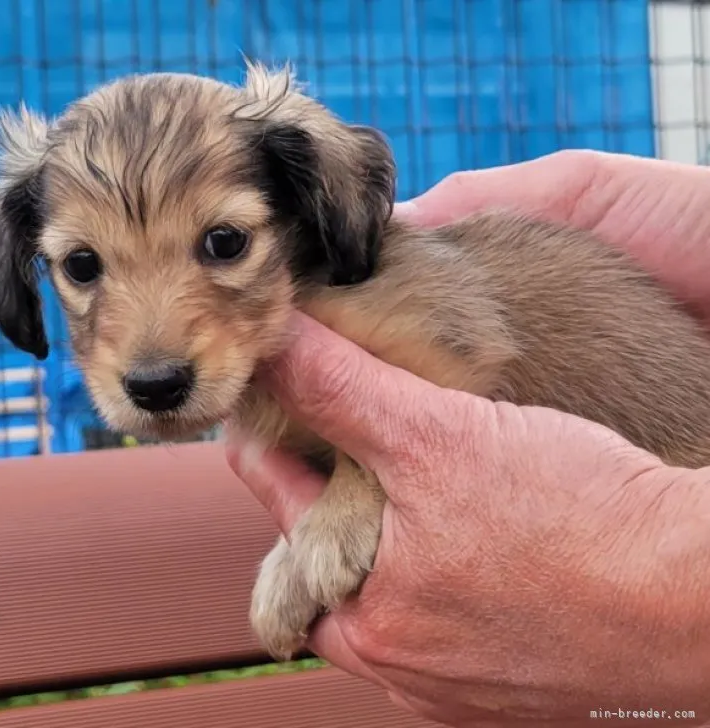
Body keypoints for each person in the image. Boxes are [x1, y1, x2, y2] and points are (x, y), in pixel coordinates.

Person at [224, 150, 710, 727]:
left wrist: (676, 610)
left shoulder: (360, 281)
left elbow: (455, 363)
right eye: (84, 266)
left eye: (223, 242)